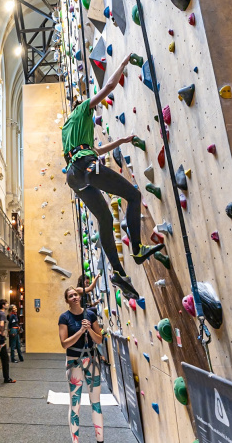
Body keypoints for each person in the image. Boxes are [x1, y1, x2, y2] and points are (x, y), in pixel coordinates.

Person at [62, 54, 164, 300]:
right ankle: (137, 249)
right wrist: (122, 63)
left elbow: (93, 150)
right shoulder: (83, 110)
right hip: (87, 167)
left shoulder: (68, 128)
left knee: (106, 220)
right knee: (133, 195)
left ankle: (118, 272)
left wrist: (120, 141)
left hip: (77, 178)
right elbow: (108, 87)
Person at [58, 287, 104, 443]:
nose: (74, 297)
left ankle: (100, 440)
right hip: (74, 362)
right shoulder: (64, 318)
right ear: (67, 300)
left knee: (96, 402)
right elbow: (64, 344)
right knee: (75, 403)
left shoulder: (90, 314)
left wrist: (89, 328)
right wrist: (80, 331)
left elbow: (99, 339)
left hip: (92, 360)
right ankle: (75, 441)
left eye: (76, 294)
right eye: (71, 296)